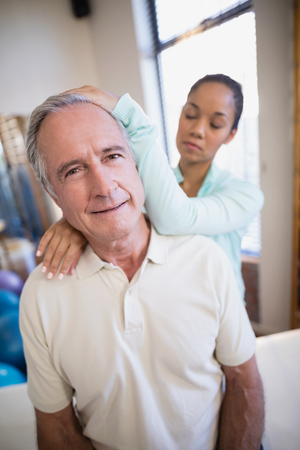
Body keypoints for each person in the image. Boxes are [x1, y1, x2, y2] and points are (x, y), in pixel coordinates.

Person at [20, 91, 264, 449]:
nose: (104, 187)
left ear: (138, 164)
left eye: (113, 156)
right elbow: (56, 425)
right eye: (73, 171)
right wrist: (82, 219)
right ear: (53, 194)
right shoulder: (40, 296)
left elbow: (244, 382)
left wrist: (89, 217)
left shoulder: (207, 256)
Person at [37, 75, 264, 300]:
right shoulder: (140, 183)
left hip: (220, 311)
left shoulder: (246, 195)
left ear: (231, 135)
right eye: (191, 115)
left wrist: (131, 116)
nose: (198, 129)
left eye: (215, 124)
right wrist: (79, 226)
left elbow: (176, 218)